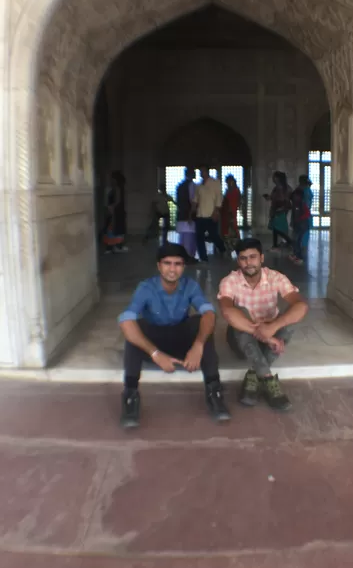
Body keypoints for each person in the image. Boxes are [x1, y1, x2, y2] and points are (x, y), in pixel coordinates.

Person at [117, 243, 230, 428]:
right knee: (135, 328)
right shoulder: (145, 288)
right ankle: (130, 395)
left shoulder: (190, 286)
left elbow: (209, 313)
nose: (172, 269)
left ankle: (214, 392)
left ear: (183, 267)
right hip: (154, 342)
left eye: (177, 264)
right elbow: (125, 321)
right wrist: (155, 354)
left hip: (180, 341)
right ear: (159, 266)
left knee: (201, 322)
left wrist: (198, 345)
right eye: (167, 263)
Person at [218, 238, 310, 411]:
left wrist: (273, 328)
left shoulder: (276, 277)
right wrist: (267, 337)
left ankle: (255, 374)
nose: (248, 262)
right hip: (241, 337)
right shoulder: (230, 281)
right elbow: (228, 312)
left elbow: (302, 306)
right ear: (238, 261)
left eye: (252, 257)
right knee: (240, 313)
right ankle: (268, 378)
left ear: (261, 258)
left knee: (290, 319)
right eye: (243, 258)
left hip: (270, 330)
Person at [194, 166, 227, 262]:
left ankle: (222, 248)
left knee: (213, 235)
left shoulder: (215, 183)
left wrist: (216, 211)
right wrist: (192, 211)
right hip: (200, 214)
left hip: (211, 214)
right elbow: (195, 200)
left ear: (207, 171)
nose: (201, 173)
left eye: (203, 171)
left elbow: (219, 197)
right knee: (199, 237)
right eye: (200, 171)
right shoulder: (199, 185)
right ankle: (203, 258)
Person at [263, 171, 293, 252]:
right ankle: (275, 245)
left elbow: (288, 200)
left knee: (277, 229)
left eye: (274, 177)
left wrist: (282, 208)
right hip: (275, 210)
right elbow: (272, 197)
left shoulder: (286, 188)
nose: (273, 178)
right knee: (275, 228)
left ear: (278, 178)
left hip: (281, 210)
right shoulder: (276, 188)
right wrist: (268, 197)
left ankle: (290, 242)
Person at [175, 168, 199, 260]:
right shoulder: (192, 185)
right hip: (189, 217)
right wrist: (191, 215)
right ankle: (189, 257)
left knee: (182, 239)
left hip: (181, 215)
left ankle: (183, 257)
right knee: (190, 240)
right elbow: (193, 202)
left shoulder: (180, 186)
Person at [289, 175, 313, 265]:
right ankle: (297, 254)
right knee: (297, 239)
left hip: (302, 222)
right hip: (301, 221)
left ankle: (299, 256)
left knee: (299, 239)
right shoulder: (304, 191)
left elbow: (305, 211)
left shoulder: (302, 193)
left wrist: (298, 219)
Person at [102, 171, 128, 254]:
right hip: (115, 212)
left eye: (113, 178)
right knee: (113, 229)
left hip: (115, 212)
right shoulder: (115, 188)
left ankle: (113, 247)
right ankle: (115, 246)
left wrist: (111, 209)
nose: (111, 180)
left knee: (113, 229)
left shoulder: (117, 188)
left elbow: (117, 201)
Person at [220, 174, 242, 249]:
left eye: (229, 182)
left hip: (231, 211)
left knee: (233, 227)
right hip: (226, 212)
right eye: (227, 182)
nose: (228, 184)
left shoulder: (235, 190)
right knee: (226, 227)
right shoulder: (229, 190)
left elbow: (237, 201)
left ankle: (237, 243)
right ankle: (228, 243)